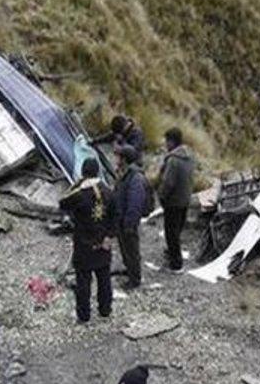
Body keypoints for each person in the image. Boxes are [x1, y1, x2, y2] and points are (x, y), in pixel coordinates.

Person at [59, 158, 116, 322]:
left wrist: (77, 185)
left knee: (83, 281)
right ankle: (105, 310)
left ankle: (84, 315)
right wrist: (109, 236)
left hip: (84, 243)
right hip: (103, 242)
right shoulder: (108, 191)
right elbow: (114, 215)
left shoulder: (79, 195)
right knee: (104, 278)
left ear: (83, 173)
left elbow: (62, 203)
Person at [157, 127, 195, 270]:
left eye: (167, 141)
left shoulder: (173, 160)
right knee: (177, 229)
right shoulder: (190, 156)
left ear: (172, 142)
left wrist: (161, 196)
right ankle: (172, 253)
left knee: (171, 233)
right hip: (185, 198)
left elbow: (168, 183)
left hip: (173, 202)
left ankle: (176, 264)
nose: (165, 144)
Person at [114, 146, 149, 290]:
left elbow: (135, 202)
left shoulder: (136, 178)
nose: (116, 159)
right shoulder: (125, 174)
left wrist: (129, 223)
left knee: (131, 249)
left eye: (118, 157)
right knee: (125, 248)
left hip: (128, 221)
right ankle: (129, 269)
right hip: (121, 219)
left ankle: (134, 279)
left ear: (124, 159)